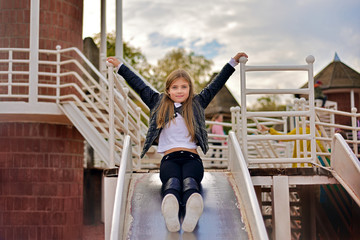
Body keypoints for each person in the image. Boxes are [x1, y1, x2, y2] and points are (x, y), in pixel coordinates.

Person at [107, 52, 248, 233]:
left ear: (190, 88)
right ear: (168, 90)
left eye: (184, 87)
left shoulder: (197, 103)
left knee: (191, 181)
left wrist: (232, 63)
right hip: (169, 160)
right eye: (175, 87)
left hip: (192, 159)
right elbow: (138, 85)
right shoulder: (158, 102)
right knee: (171, 182)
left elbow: (216, 85)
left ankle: (193, 207)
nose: (179, 91)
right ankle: (170, 210)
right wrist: (120, 67)